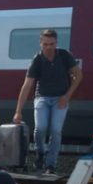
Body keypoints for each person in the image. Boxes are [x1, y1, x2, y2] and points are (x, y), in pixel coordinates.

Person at [12, 29, 83, 175]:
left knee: (56, 130)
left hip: (60, 98)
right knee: (41, 127)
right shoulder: (37, 60)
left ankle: (51, 164)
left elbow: (79, 75)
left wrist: (67, 96)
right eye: (45, 44)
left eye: (51, 44)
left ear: (56, 43)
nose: (48, 47)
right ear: (40, 43)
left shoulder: (64, 55)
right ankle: (40, 153)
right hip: (42, 97)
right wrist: (18, 111)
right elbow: (27, 85)